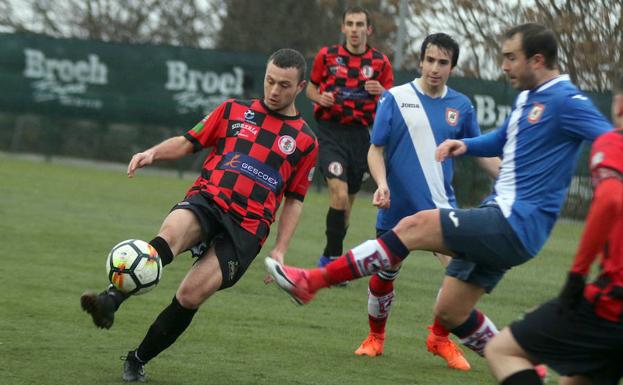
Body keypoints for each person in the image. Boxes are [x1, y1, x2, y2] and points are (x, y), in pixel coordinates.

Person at [265, 22, 612, 367]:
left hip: (514, 221)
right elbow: (502, 139)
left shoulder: (567, 100)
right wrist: (465, 144)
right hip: (502, 218)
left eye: (510, 57)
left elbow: (611, 141)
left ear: (536, 60)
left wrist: (608, 177)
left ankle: (312, 281)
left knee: (416, 226)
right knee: (451, 310)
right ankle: (523, 364)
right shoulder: (528, 99)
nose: (504, 66)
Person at [80, 48, 318, 382]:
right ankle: (110, 300)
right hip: (209, 199)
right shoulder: (234, 110)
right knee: (169, 237)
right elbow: (189, 141)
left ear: (300, 86)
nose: (274, 91)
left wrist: (280, 250)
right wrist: (152, 153)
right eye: (269, 81)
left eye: (284, 85)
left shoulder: (306, 141)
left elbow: (294, 200)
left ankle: (137, 358)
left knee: (190, 294)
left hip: (247, 228)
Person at [353, 33, 500, 373]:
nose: (435, 68)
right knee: (385, 273)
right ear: (420, 61)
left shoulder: (461, 106)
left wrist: (510, 177)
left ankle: (439, 337)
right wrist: (382, 184)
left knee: (456, 275)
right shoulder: (395, 97)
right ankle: (375, 337)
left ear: (452, 67)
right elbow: (377, 148)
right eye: (430, 60)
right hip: (397, 207)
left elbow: (478, 152)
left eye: (443, 62)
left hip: (439, 208)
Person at [485, 75, 623, 385]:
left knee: (502, 351)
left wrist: (576, 276)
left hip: (612, 304)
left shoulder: (614, 143)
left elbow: (610, 199)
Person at [307, 6, 393, 271]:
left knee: (346, 204)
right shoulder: (328, 56)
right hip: (330, 133)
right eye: (350, 24)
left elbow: (392, 99)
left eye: (359, 25)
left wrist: (381, 91)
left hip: (361, 137)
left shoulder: (380, 62)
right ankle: (334, 262)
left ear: (368, 30)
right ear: (343, 28)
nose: (354, 30)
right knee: (338, 192)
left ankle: (328, 255)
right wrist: (318, 97)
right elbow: (310, 87)